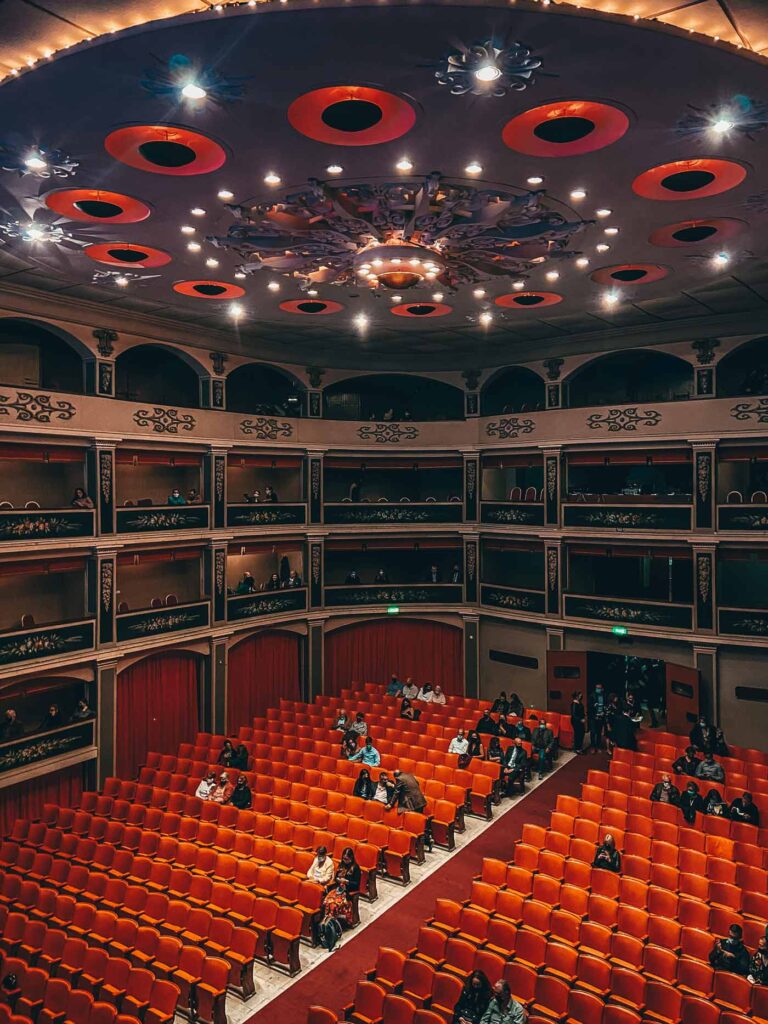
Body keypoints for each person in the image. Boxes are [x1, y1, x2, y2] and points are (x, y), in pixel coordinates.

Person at [588, 683, 607, 753]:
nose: (598, 689)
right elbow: (589, 707)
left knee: (599, 732)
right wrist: (593, 706)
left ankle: (598, 746)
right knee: (593, 732)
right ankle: (593, 746)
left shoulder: (604, 696)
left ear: (602, 689)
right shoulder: (592, 695)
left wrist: (604, 712)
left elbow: (606, 705)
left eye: (599, 688)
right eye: (597, 688)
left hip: (601, 716)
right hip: (593, 717)